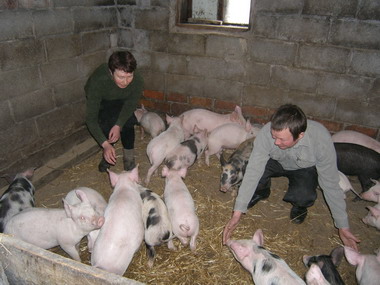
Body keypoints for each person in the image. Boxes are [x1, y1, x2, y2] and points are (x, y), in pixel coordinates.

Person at [222, 104, 360, 251]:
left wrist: (342, 225)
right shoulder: (267, 133)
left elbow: (330, 183)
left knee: (304, 195)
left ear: (300, 135)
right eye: (274, 137)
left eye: (281, 139)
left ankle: (299, 206)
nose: (276, 142)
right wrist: (238, 211)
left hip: (303, 167)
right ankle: (262, 191)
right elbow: (254, 170)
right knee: (250, 172)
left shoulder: (320, 140)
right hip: (275, 161)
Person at [85, 51, 143, 172]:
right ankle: (108, 154)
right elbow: (91, 119)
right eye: (121, 77)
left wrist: (119, 124)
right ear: (111, 72)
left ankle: (129, 161)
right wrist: (105, 144)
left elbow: (130, 104)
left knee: (128, 122)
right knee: (106, 124)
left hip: (122, 97)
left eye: (129, 76)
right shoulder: (98, 82)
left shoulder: (137, 80)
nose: (126, 81)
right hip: (103, 98)